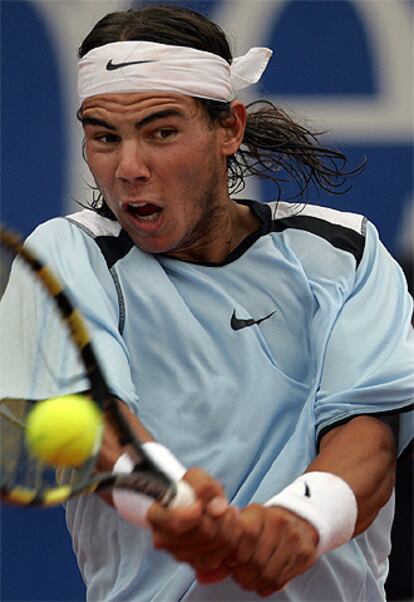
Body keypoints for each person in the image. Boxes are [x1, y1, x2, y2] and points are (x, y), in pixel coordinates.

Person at [7, 4, 414, 600]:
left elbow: (369, 435)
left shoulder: (343, 249)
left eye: (161, 132)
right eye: (103, 137)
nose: (128, 168)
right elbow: (93, 428)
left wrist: (299, 522)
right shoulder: (68, 255)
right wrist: (167, 498)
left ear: (229, 129)